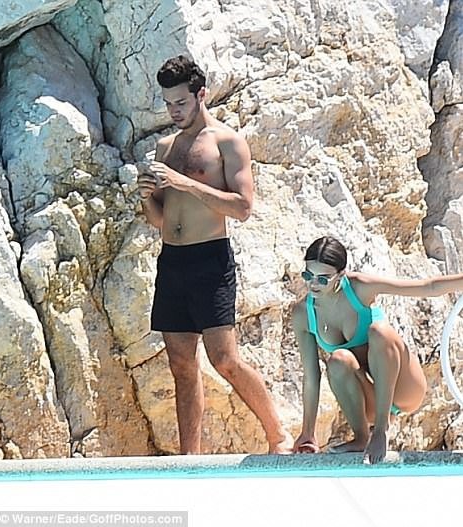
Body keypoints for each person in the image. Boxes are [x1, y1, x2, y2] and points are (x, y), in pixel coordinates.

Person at [137, 55, 292, 455]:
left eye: (181, 102)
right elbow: (160, 219)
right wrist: (146, 197)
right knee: (181, 365)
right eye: (168, 104)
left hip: (210, 259)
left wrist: (185, 184)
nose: (174, 111)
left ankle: (278, 436)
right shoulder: (165, 147)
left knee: (224, 359)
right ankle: (189, 456)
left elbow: (242, 208)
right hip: (172, 262)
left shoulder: (227, 142)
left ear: (201, 94)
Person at [292, 235, 463, 464]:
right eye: (308, 276)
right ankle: (361, 437)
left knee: (379, 331)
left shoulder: (359, 287)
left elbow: (428, 286)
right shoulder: (303, 313)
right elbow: (311, 378)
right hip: (369, 400)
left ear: (341, 275)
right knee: (338, 359)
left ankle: (381, 429)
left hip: (404, 390)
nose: (314, 284)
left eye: (323, 279)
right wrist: (307, 433)